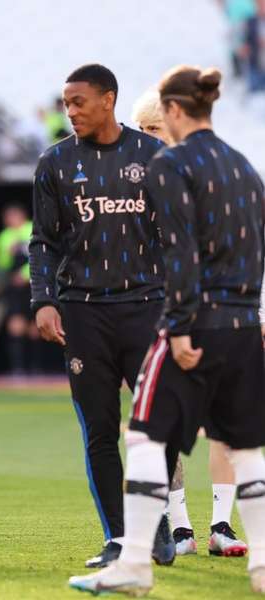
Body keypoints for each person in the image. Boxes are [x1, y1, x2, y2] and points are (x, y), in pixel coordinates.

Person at [68, 65, 265, 596]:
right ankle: (263, 566)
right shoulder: (244, 167)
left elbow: (179, 254)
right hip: (245, 324)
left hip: (193, 321)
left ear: (174, 111)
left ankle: (134, 560)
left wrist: (177, 328)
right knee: (246, 446)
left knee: (145, 435)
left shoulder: (172, 164)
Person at [29, 63, 174, 569]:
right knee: (99, 431)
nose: (70, 112)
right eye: (66, 103)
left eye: (79, 102)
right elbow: (43, 241)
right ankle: (119, 536)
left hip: (147, 308)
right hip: (83, 313)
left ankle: (156, 522)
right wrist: (44, 299)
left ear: (108, 99)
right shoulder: (54, 164)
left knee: (160, 428)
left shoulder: (153, 156)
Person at [131, 88, 247, 557]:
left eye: (151, 129)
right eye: (139, 130)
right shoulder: (138, 184)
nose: (144, 139)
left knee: (224, 422)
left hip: (216, 313)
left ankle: (223, 525)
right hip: (157, 314)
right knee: (166, 423)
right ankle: (181, 527)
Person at [0, 203, 33, 372]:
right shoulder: (4, 236)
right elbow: (2, 265)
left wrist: (25, 275)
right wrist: (7, 254)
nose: (9, 220)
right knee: (16, 325)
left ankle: (36, 368)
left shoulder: (32, 228)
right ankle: (18, 368)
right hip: (15, 289)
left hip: (33, 285)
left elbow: (41, 257)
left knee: (34, 327)